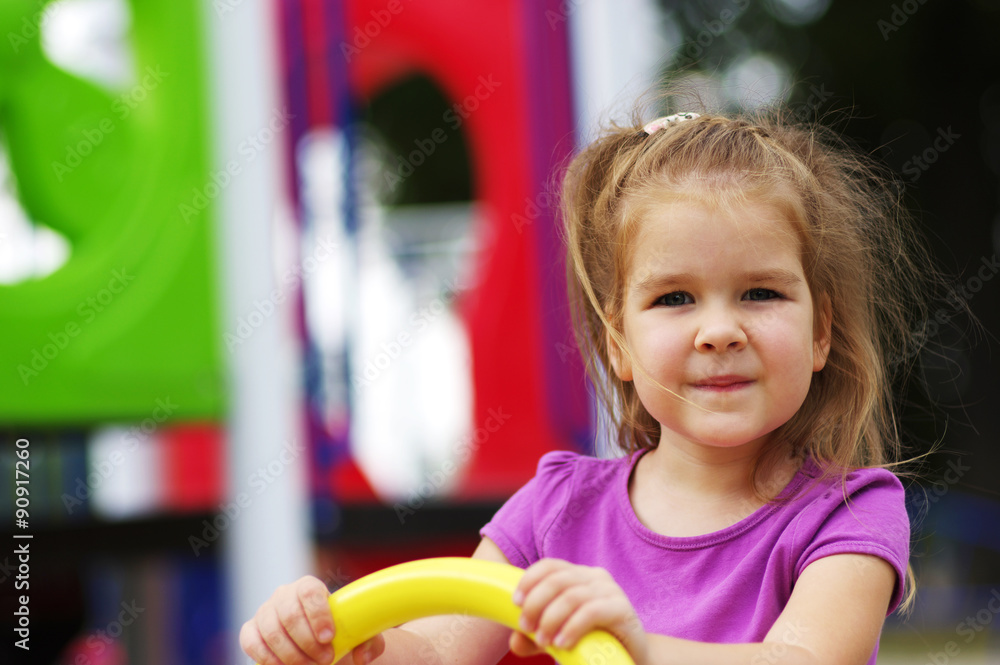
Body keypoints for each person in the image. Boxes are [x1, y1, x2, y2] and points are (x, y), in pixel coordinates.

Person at [240, 102, 944, 665]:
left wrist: (638, 645)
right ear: (619, 344)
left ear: (821, 331)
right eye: (674, 298)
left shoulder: (849, 513)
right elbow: (438, 649)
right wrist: (339, 641)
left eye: (760, 292)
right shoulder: (556, 510)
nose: (719, 329)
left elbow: (807, 658)